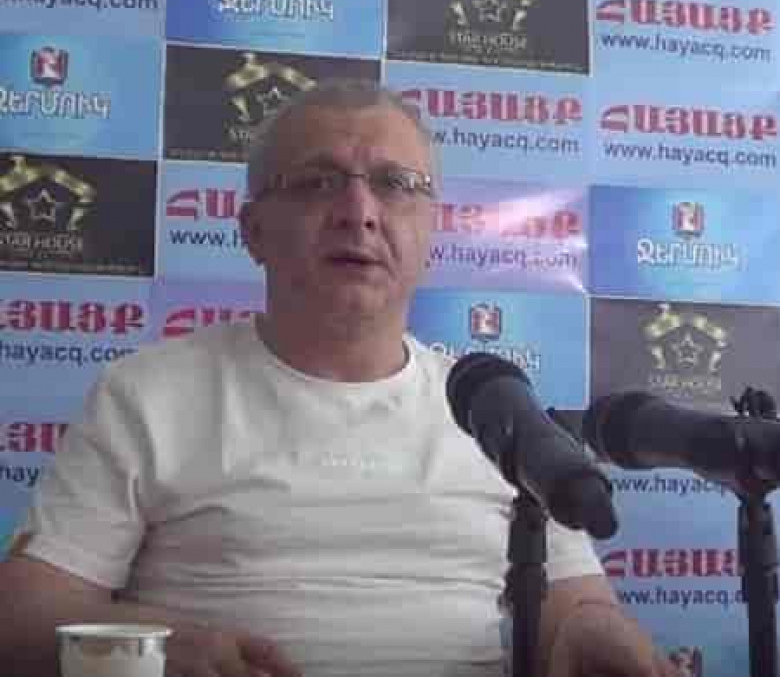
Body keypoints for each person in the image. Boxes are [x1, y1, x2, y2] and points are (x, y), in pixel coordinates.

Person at [0, 80, 679, 677]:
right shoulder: (148, 394)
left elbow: (573, 607)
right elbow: (21, 624)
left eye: (394, 184)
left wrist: (591, 632)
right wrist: (153, 649)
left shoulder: (493, 408)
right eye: (317, 182)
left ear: (431, 228)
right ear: (253, 230)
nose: (359, 211)